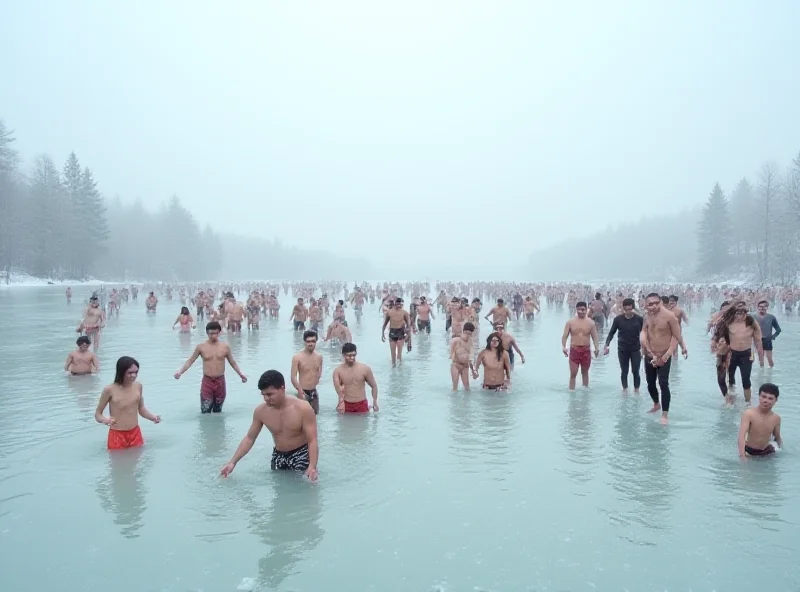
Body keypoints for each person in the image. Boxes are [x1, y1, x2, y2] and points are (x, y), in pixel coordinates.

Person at [220, 370, 318, 481]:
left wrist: (312, 466)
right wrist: (232, 463)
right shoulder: (261, 411)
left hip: (301, 454)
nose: (266, 398)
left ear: (282, 388)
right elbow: (249, 439)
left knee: (302, 488)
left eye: (270, 394)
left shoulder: (303, 408)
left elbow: (312, 440)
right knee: (279, 491)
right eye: (263, 395)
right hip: (279, 455)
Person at [174, 321, 248, 413]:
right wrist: (180, 372)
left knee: (218, 410)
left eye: (214, 333)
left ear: (219, 333)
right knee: (205, 409)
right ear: (207, 333)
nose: (212, 336)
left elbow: (232, 362)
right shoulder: (201, 347)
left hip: (220, 381)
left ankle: (218, 427)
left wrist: (241, 374)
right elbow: (190, 361)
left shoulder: (225, 347)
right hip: (207, 381)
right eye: (209, 333)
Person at [94, 356, 161, 449]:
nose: (134, 375)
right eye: (130, 372)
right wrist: (105, 420)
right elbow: (97, 414)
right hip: (117, 435)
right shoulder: (109, 389)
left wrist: (153, 417)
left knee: (136, 461)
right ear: (121, 371)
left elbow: (141, 409)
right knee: (117, 462)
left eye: (136, 372)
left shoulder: (138, 386)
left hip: (135, 433)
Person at [641, 293, 687, 424]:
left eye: (657, 302)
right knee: (650, 383)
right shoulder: (646, 316)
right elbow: (644, 331)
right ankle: (656, 404)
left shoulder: (669, 316)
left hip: (664, 353)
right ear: (646, 305)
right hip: (650, 354)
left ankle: (665, 415)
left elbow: (676, 335)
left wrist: (669, 353)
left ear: (660, 302)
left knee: (663, 383)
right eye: (650, 304)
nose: (654, 306)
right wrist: (644, 346)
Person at [603, 298, 643, 394]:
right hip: (623, 349)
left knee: (635, 371)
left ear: (633, 308)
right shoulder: (618, 320)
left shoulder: (639, 319)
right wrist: (606, 345)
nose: (628, 311)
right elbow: (611, 333)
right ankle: (625, 390)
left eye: (630, 309)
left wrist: (646, 347)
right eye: (626, 309)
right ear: (623, 308)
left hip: (636, 349)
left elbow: (645, 334)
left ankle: (636, 390)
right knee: (624, 371)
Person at [561, 302, 599, 390]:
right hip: (574, 350)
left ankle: (585, 393)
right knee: (573, 373)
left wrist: (596, 348)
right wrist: (564, 347)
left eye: (582, 310)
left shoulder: (591, 323)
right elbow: (564, 336)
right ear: (576, 310)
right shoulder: (570, 322)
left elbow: (595, 337)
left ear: (586, 310)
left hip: (586, 350)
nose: (580, 312)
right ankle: (571, 393)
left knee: (585, 372)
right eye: (578, 310)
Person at [738, 383, 782, 458]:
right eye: (763, 397)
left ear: (776, 400)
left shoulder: (776, 418)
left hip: (767, 451)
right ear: (759, 396)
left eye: (770, 398)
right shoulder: (749, 414)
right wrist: (742, 456)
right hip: (749, 450)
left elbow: (777, 437)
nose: (766, 400)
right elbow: (741, 436)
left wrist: (781, 449)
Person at [332, 343, 379, 413]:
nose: (352, 358)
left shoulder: (365, 369)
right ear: (344, 355)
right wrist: (341, 402)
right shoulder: (338, 371)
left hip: (361, 404)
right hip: (346, 404)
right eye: (349, 355)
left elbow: (374, 386)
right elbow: (338, 390)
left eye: (354, 355)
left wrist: (375, 402)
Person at [290, 330, 323, 415]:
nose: (311, 344)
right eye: (308, 341)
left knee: (315, 417)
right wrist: (300, 391)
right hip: (303, 391)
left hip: (314, 392)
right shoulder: (297, 357)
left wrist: (317, 379)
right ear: (304, 342)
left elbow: (319, 370)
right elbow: (293, 377)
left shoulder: (319, 357)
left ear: (316, 342)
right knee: (302, 417)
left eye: (313, 341)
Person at [449, 322, 476, 391]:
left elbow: (470, 357)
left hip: (465, 366)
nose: (468, 335)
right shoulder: (456, 340)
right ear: (464, 331)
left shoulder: (470, 342)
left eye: (470, 333)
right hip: (456, 365)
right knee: (455, 388)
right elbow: (451, 354)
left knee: (467, 388)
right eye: (467, 333)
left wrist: (473, 371)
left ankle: (467, 401)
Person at [755, 300, 781, 368]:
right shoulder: (754, 317)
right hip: (758, 340)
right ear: (758, 307)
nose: (762, 308)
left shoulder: (771, 317)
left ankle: (770, 375)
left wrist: (773, 336)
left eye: (764, 306)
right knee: (761, 361)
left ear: (767, 307)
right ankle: (761, 376)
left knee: (770, 360)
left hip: (767, 340)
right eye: (760, 306)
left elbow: (778, 329)